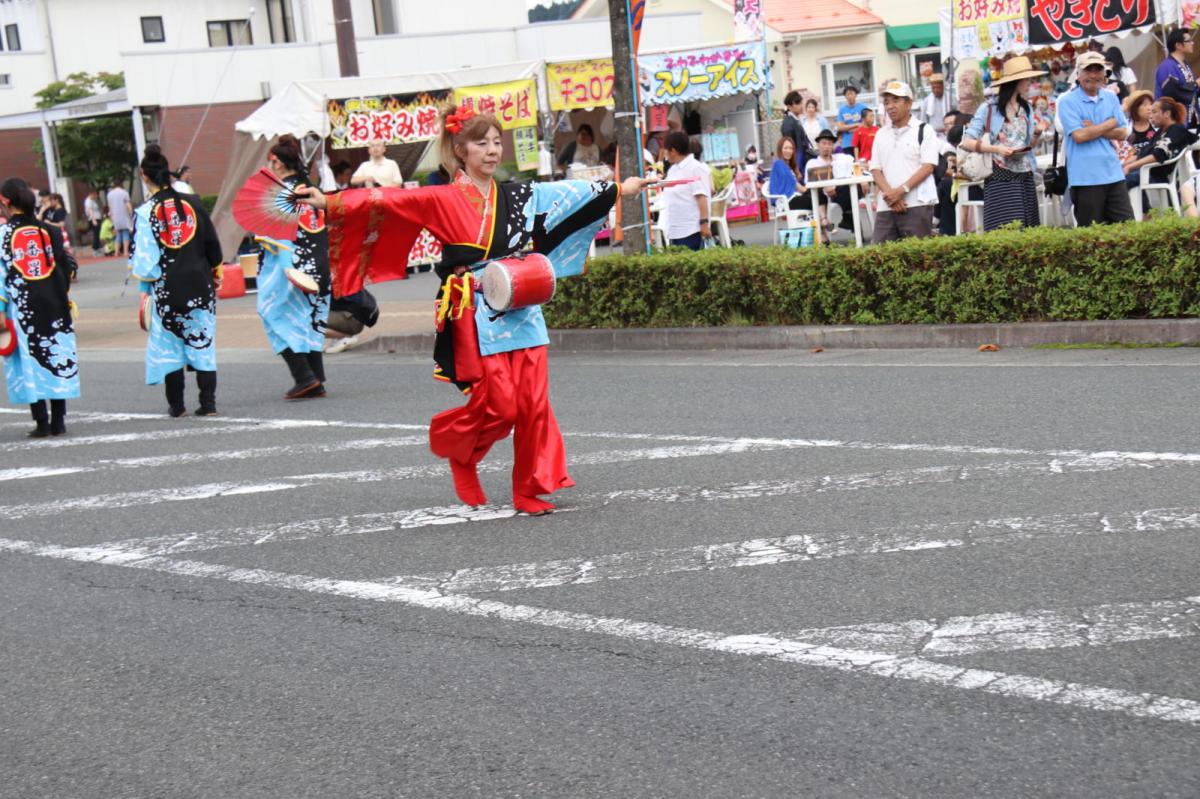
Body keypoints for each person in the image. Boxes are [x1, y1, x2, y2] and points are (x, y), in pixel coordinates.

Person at [292, 104, 653, 515]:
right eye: (481, 143)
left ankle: (528, 489)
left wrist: (621, 189)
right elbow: (386, 201)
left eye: (497, 142)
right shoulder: (439, 198)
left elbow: (564, 193)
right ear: (460, 150)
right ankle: (461, 452)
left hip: (523, 301)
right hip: (478, 308)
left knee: (534, 405)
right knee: (501, 405)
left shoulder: (517, 193)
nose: (492, 150)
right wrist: (328, 201)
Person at [129, 145, 223, 417]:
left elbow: (145, 264)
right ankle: (208, 404)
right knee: (202, 342)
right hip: (199, 284)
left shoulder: (147, 212)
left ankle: (177, 406)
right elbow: (212, 245)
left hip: (167, 289)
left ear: (144, 175)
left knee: (170, 346)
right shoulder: (192, 203)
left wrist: (144, 290)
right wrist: (215, 272)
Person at [252, 135, 333, 400]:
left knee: (272, 314)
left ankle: (304, 376)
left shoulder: (279, 194)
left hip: (290, 268)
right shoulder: (311, 189)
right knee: (309, 320)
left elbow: (272, 238)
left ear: (276, 163)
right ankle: (316, 378)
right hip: (318, 264)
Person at [0, 177, 79, 437]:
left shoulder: (3, 235)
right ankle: (59, 420)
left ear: (5, 201)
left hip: (22, 307)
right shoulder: (51, 231)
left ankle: (41, 421)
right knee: (55, 355)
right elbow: (66, 266)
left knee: (29, 360)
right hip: (55, 304)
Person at [962, 56, 1049, 231]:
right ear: (1015, 82)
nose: (1028, 83)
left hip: (1025, 174)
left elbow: (1029, 144)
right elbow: (967, 142)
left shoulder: (1026, 108)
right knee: (1003, 229)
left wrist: (1037, 132)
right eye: (1026, 79)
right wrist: (996, 148)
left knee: (1028, 229)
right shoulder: (989, 108)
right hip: (999, 175)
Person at [1059, 51, 1134, 226]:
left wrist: (1093, 127)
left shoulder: (1110, 97)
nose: (1093, 75)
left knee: (1127, 230)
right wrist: (1109, 124)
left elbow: (1123, 132)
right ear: (1078, 74)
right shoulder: (1067, 101)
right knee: (1092, 237)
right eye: (1088, 70)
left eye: (1098, 70)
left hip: (1114, 172)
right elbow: (1079, 136)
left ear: (1105, 73)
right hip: (1085, 177)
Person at [869, 80, 940, 243]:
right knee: (879, 258)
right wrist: (890, 196)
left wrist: (901, 191)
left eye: (896, 100)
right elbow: (875, 170)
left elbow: (928, 166)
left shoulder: (924, 130)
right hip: (886, 206)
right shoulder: (881, 134)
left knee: (918, 259)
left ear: (909, 103)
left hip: (916, 204)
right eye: (886, 102)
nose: (890, 106)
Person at [1122, 97, 1196, 197]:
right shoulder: (1160, 132)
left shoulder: (1177, 130)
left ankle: (1140, 212)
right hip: (1147, 172)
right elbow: (1142, 153)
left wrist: (1130, 167)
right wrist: (1122, 165)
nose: (1150, 116)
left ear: (1167, 114)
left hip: (1157, 175)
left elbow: (1158, 154)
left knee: (1120, 183)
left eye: (1154, 112)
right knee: (1115, 178)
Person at [662, 130, 711, 250]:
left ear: (673, 151)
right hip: (675, 229)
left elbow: (702, 197)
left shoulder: (695, 168)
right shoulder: (673, 170)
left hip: (691, 229)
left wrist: (704, 223)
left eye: (666, 150)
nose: (664, 153)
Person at [805, 129, 856, 241]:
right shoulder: (813, 162)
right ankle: (825, 219)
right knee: (816, 187)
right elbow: (808, 182)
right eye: (824, 143)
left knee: (852, 187)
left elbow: (853, 165)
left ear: (833, 145)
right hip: (822, 194)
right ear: (818, 145)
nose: (827, 146)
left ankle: (848, 218)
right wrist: (826, 186)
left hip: (840, 192)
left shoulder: (840, 158)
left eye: (829, 143)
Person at [1155, 28, 1198, 128]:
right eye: (1189, 41)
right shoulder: (1167, 66)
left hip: (1191, 115)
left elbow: (1193, 90)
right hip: (1176, 119)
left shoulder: (1186, 64)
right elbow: (1172, 92)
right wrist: (1195, 85)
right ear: (1178, 45)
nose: (1193, 43)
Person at [1122, 90, 1157, 186]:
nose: (1149, 108)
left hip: (1151, 168)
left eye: (1151, 104)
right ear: (1135, 108)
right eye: (1145, 105)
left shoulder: (1157, 128)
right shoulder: (1125, 128)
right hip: (1128, 168)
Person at [767, 137, 805, 210]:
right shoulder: (778, 164)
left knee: (818, 197)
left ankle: (822, 220)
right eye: (786, 148)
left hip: (792, 199)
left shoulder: (788, 167)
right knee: (814, 200)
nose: (789, 151)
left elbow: (799, 187)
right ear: (780, 150)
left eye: (791, 148)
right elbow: (798, 187)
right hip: (786, 202)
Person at [780, 90, 814, 170]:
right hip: (797, 163)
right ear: (789, 106)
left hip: (802, 160)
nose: (801, 106)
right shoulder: (788, 123)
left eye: (801, 103)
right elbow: (788, 148)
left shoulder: (795, 120)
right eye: (798, 103)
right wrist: (795, 167)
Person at [837, 85, 870, 151]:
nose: (849, 96)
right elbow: (840, 128)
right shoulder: (842, 109)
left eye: (851, 93)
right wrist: (857, 124)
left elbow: (867, 124)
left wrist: (848, 129)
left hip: (861, 141)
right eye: (847, 94)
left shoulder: (863, 107)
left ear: (856, 95)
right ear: (845, 96)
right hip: (847, 144)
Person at [106, 180, 134, 257]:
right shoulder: (124, 193)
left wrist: (111, 217)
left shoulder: (109, 194)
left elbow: (110, 207)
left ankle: (116, 252)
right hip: (124, 216)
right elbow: (128, 204)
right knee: (125, 233)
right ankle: (125, 251)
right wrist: (131, 214)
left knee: (118, 235)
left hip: (115, 217)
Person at [83, 188, 103, 256]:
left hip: (97, 218)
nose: (95, 196)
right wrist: (93, 219)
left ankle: (97, 248)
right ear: (91, 194)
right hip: (94, 219)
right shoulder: (88, 201)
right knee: (96, 234)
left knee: (98, 234)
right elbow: (90, 210)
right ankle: (95, 249)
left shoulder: (93, 200)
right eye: (94, 194)